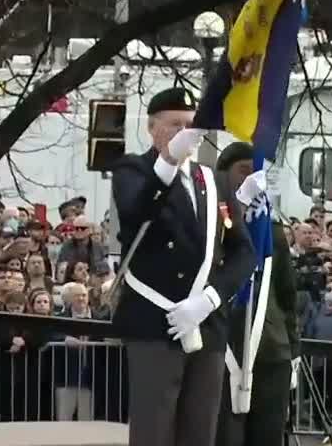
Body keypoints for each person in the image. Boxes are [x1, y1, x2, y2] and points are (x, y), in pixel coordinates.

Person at [109, 87, 255, 446]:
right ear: (151, 128)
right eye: (175, 125)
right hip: (156, 322)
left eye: (190, 126)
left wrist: (210, 298)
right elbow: (135, 211)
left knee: (199, 432)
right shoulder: (134, 169)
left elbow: (243, 253)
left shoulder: (214, 181)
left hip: (205, 324)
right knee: (154, 431)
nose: (183, 133)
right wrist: (167, 164)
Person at [214, 142, 300, 446]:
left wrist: (294, 350)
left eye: (257, 172)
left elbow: (287, 294)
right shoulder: (210, 222)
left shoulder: (271, 231)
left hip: (270, 351)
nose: (251, 178)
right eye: (243, 171)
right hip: (221, 349)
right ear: (223, 175)